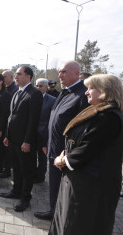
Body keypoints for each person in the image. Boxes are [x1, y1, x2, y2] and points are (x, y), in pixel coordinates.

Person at [49, 74, 123, 235]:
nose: (86, 92)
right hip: (82, 180)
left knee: (81, 225)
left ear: (105, 91)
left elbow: (89, 148)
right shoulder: (101, 111)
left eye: (91, 88)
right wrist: (66, 151)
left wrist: (63, 159)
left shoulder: (109, 117)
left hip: (92, 186)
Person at [34, 61, 89, 220]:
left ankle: (62, 215)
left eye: (64, 72)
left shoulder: (82, 94)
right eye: (59, 72)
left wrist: (68, 153)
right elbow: (53, 119)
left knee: (64, 187)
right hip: (53, 147)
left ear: (77, 73)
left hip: (66, 153)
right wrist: (46, 143)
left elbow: (81, 128)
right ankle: (53, 210)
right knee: (54, 184)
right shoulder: (65, 92)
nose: (60, 75)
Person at [0, 65, 43, 212]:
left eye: (19, 74)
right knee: (17, 168)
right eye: (16, 74)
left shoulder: (34, 93)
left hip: (25, 141)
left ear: (28, 77)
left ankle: (25, 198)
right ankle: (16, 191)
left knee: (26, 170)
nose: (16, 77)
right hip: (13, 140)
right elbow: (10, 117)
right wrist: (7, 135)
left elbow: (33, 120)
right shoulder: (17, 92)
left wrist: (28, 141)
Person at [34, 78, 56, 183]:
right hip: (32, 133)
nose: (38, 88)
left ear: (47, 87)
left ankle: (40, 176)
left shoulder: (52, 100)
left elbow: (52, 119)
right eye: (37, 85)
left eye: (41, 86)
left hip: (43, 134)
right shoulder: (31, 97)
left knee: (42, 157)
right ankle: (32, 173)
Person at [1, 70, 19, 178]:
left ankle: (7, 170)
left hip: (9, 124)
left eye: (4, 77)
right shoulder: (5, 89)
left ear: (11, 78)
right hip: (3, 123)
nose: (3, 79)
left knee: (8, 150)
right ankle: (4, 168)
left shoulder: (14, 90)